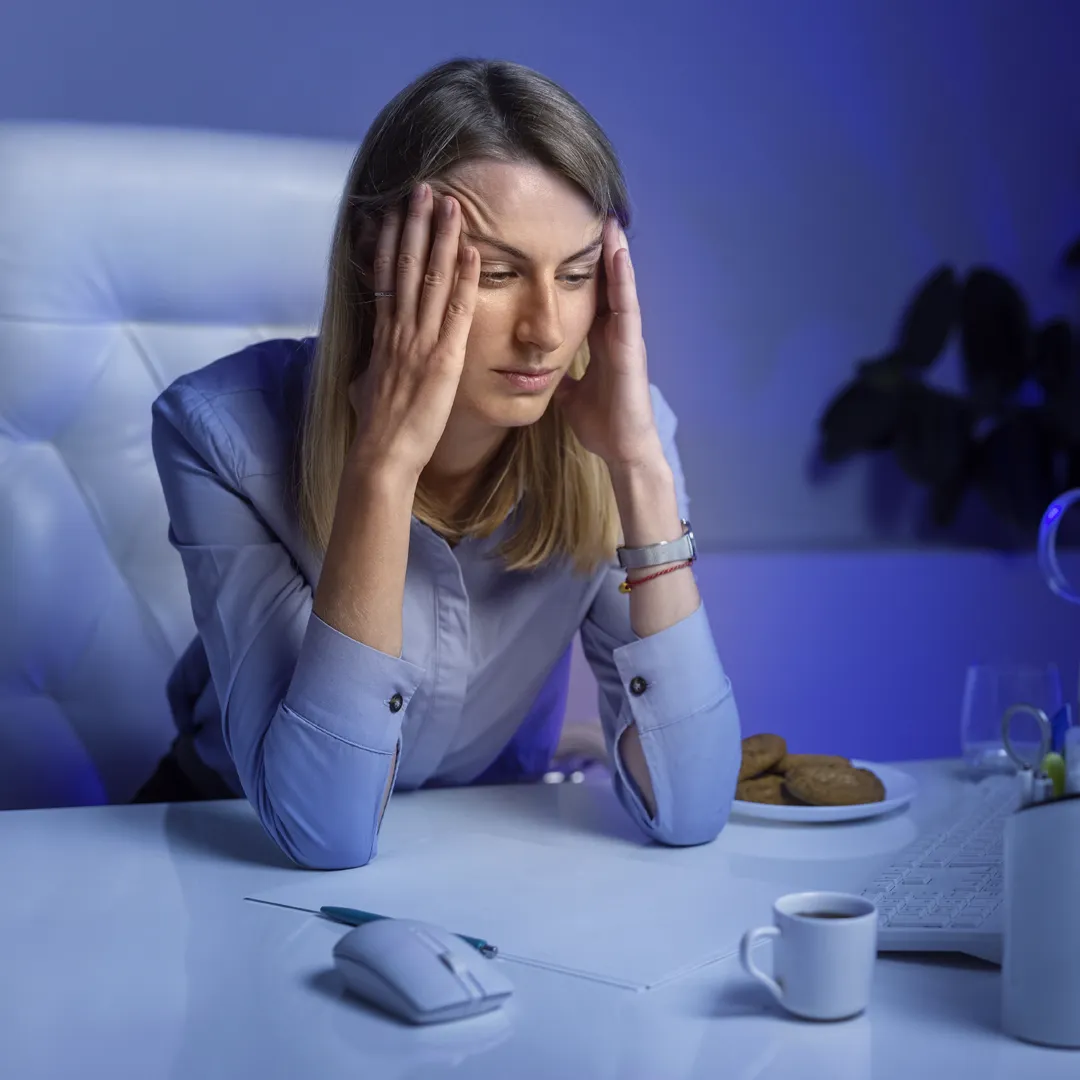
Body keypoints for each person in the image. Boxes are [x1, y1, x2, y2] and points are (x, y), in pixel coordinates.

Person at [134, 57, 741, 869]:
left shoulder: (622, 437)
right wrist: (384, 466)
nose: (545, 331)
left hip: (482, 853)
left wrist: (638, 466)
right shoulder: (216, 432)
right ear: (373, 259)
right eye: (497, 273)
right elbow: (323, 833)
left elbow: (693, 809)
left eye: (576, 275)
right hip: (214, 847)